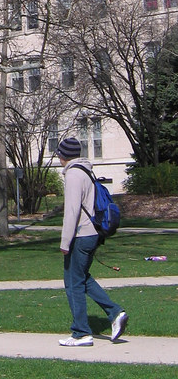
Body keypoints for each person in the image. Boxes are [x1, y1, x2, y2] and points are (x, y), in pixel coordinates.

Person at [57, 136, 128, 347]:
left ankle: (81, 333)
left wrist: (65, 242)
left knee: (73, 283)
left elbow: (72, 212)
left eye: (59, 153)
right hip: (93, 233)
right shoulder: (86, 170)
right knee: (81, 278)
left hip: (81, 235)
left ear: (64, 155)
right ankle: (115, 313)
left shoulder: (73, 174)